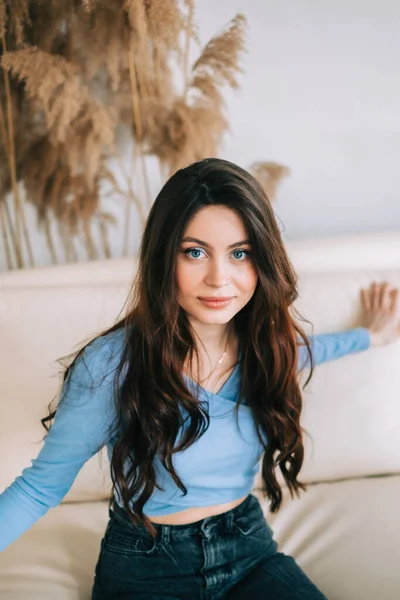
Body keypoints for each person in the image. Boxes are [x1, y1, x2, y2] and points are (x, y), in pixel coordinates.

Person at [0, 158, 399, 600]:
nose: (218, 279)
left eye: (239, 253)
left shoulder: (267, 345)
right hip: (146, 566)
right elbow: (39, 488)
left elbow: (312, 350)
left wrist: (371, 335)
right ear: (162, 257)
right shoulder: (112, 364)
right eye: (195, 252)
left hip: (248, 549)